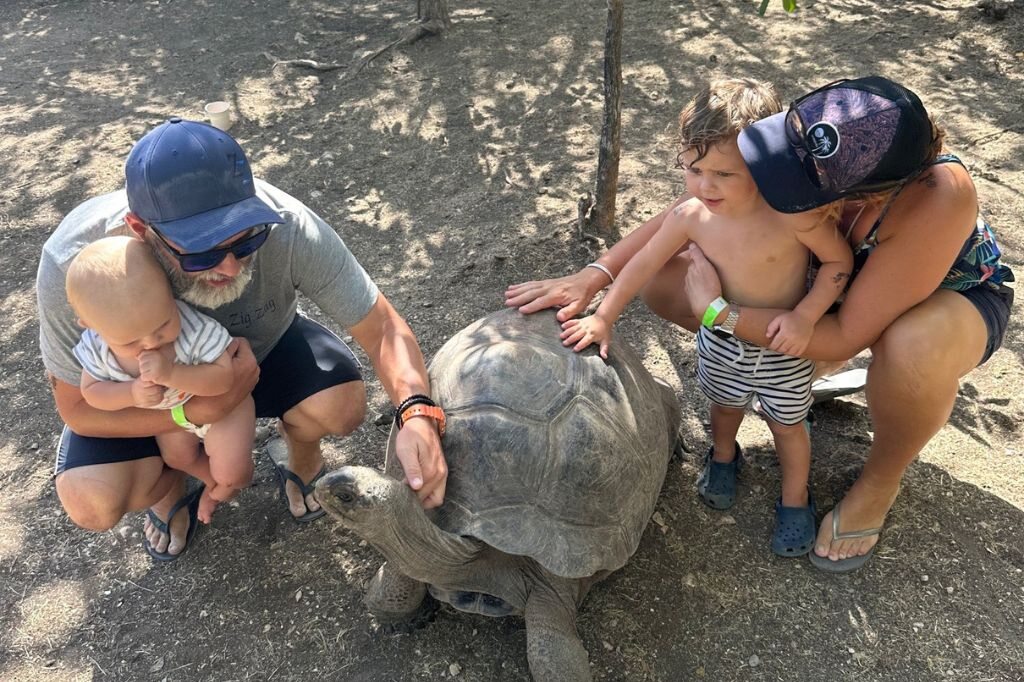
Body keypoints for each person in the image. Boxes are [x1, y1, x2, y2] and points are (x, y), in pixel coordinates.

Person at [506, 76, 1015, 572]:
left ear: (869, 194)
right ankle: (773, 371)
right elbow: (683, 215)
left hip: (944, 298)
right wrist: (594, 278)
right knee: (667, 276)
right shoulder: (829, 136)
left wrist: (720, 314)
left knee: (911, 348)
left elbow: (846, 335)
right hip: (822, 288)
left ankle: (881, 479)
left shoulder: (938, 193)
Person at [38, 117, 448, 562]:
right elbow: (77, 408)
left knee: (341, 406)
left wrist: (417, 414)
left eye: (248, 237)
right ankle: (170, 484)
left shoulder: (288, 225)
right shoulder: (78, 268)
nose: (231, 267)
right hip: (143, 392)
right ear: (141, 230)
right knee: (92, 503)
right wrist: (197, 410)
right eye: (203, 251)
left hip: (259, 352)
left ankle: (301, 458)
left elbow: (383, 327)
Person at [558, 78, 852, 558]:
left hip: (784, 344)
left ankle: (795, 498)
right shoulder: (691, 215)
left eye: (724, 173)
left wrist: (806, 316)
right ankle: (722, 457)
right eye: (693, 169)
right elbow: (643, 264)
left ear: (764, 164)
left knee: (789, 425)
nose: (704, 185)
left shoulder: (792, 216)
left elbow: (839, 263)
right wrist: (604, 315)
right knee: (723, 406)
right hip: (721, 340)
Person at [66, 236, 255, 531]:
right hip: (171, 418)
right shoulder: (96, 348)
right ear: (92, 326)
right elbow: (92, 393)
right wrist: (129, 393)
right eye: (130, 342)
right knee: (177, 458)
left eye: (163, 324)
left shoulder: (193, 329)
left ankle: (223, 489)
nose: (152, 343)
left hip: (225, 409)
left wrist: (171, 374)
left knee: (235, 472)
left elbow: (224, 379)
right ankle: (210, 483)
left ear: (170, 294)